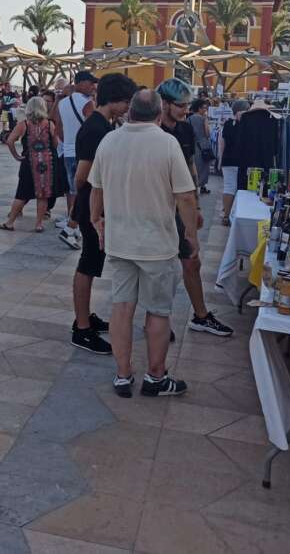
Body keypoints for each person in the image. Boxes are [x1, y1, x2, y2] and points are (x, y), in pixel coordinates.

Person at [90, 90, 196, 398]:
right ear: (159, 114)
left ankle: (123, 375)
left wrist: (96, 219)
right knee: (158, 312)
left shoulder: (109, 141)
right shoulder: (167, 143)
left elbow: (96, 188)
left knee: (121, 308)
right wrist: (191, 234)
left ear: (130, 112)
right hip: (157, 245)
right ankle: (156, 377)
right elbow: (185, 196)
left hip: (120, 242)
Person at [156, 80, 233, 338]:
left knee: (191, 261)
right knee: (159, 268)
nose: (185, 110)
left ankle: (200, 315)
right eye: (180, 105)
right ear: (164, 103)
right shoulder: (152, 132)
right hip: (157, 208)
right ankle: (157, 320)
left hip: (181, 207)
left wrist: (195, 205)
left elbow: (189, 166)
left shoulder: (186, 129)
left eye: (187, 105)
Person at [70, 73, 138, 355]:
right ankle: (82, 328)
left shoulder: (104, 126)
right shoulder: (95, 130)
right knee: (88, 263)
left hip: (96, 204)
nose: (128, 107)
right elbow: (81, 176)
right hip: (91, 205)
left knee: (92, 262)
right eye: (126, 102)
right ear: (114, 100)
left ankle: (85, 317)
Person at [0, 96, 61, 233]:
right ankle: (38, 224)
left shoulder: (24, 125)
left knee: (22, 194)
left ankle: (10, 222)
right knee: (43, 195)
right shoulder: (49, 124)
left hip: (29, 163)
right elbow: (56, 143)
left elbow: (10, 141)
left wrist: (16, 156)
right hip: (46, 164)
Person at [55, 71, 97, 250]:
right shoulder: (88, 103)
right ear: (80, 83)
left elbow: (58, 127)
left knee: (74, 190)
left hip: (68, 151)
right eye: (90, 83)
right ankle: (72, 228)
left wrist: (68, 142)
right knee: (84, 191)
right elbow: (91, 128)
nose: (93, 86)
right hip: (83, 153)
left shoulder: (63, 103)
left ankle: (73, 224)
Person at [219, 99, 249, 225]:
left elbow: (222, 144)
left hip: (228, 160)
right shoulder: (247, 124)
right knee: (240, 189)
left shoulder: (227, 124)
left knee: (229, 187)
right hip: (241, 160)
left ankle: (226, 215)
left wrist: (220, 161)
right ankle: (235, 215)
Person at [187, 98, 213, 195]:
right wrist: (206, 120)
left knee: (195, 167)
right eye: (204, 108)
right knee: (204, 167)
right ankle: (202, 186)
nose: (205, 110)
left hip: (193, 145)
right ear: (199, 108)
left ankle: (194, 186)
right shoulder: (203, 119)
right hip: (203, 146)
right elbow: (207, 134)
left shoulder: (189, 119)